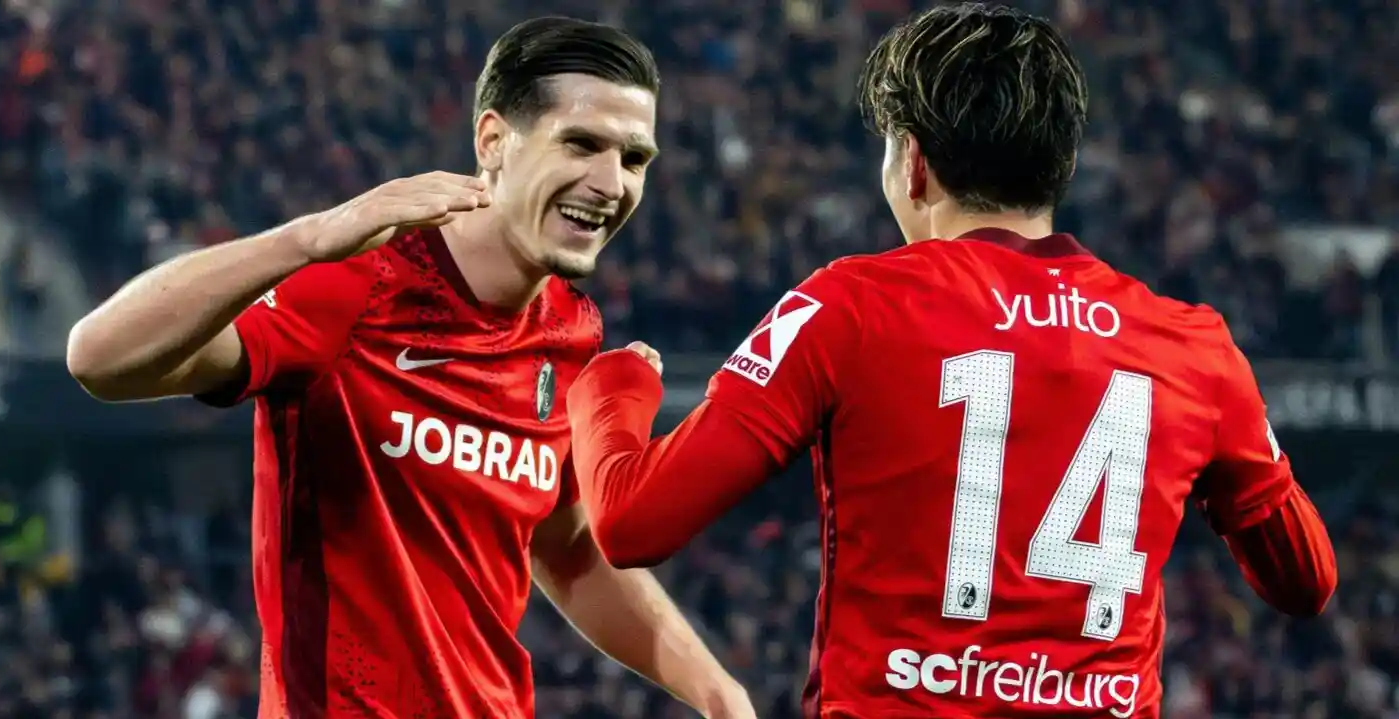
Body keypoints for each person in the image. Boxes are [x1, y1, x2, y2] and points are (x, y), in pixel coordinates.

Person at [562, 4, 1338, 718]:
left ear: (913, 163)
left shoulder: (850, 305)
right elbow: (1305, 582)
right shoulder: (1193, 344)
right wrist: (1242, 468)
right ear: (1058, 166)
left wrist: (612, 385)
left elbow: (632, 521)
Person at [65, 16, 753, 719]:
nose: (610, 182)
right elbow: (100, 357)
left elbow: (566, 545)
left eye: (634, 158)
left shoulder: (570, 331)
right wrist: (305, 239)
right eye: (579, 143)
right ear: (493, 141)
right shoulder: (356, 286)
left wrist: (718, 693)